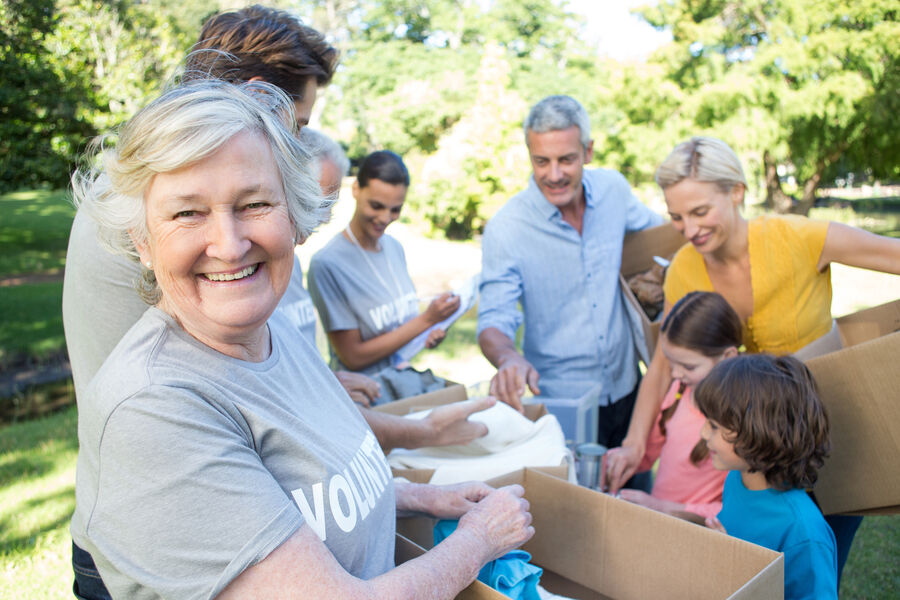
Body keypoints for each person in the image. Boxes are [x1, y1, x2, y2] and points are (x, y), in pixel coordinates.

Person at [69, 80, 533, 599]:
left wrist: (413, 496)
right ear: (143, 242)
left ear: (294, 216)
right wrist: (478, 540)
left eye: (254, 203)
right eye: (187, 213)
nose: (229, 244)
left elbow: (303, 493)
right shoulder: (153, 409)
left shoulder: (269, 329)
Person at [603, 135, 900, 577]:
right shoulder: (684, 268)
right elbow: (665, 362)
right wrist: (633, 443)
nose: (689, 229)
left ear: (737, 191)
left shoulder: (798, 238)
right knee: (744, 563)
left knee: (815, 555)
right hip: (747, 451)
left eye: (700, 212)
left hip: (819, 435)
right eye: (677, 217)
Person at [477, 94, 663, 450]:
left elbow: (662, 241)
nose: (554, 174)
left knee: (638, 499)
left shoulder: (614, 190)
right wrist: (508, 357)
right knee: (579, 503)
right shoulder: (506, 228)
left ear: (588, 152)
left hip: (629, 389)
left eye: (567, 160)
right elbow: (493, 322)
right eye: (541, 161)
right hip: (562, 405)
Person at [308, 150, 461, 376]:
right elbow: (353, 357)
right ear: (356, 190)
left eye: (395, 209)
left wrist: (426, 334)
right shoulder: (328, 264)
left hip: (402, 381)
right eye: (376, 206)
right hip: (365, 396)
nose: (385, 218)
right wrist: (427, 320)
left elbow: (400, 329)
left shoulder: (394, 247)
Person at [696, 354, 837, 600]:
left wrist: (733, 574)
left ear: (760, 432)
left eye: (715, 426)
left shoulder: (803, 533)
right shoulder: (736, 479)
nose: (703, 432)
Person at [618, 291, 740, 521]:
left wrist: (663, 507)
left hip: (694, 534)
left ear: (728, 356)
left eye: (688, 366)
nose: (674, 373)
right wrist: (622, 459)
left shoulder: (738, 424)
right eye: (671, 362)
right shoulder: (681, 390)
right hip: (660, 520)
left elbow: (734, 510)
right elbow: (649, 452)